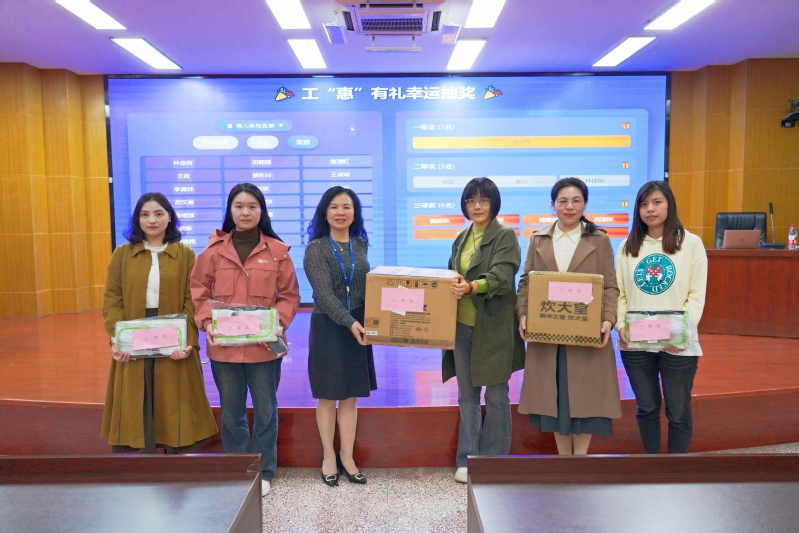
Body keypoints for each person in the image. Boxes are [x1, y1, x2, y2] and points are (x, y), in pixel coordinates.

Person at [191, 183, 300, 496]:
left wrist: (278, 323)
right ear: (230, 210)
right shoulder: (212, 253)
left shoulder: (278, 252)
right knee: (231, 411)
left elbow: (289, 295)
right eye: (239, 206)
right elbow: (199, 292)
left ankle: (264, 471)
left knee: (266, 410)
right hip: (224, 348)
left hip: (263, 347)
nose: (246, 212)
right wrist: (206, 322)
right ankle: (239, 468)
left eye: (252, 206)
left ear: (261, 211)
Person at [101, 192, 217, 454]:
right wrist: (118, 340)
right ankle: (144, 455)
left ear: (170, 218)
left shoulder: (185, 254)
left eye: (158, 214)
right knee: (138, 393)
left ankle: (174, 453)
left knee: (173, 394)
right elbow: (112, 300)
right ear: (137, 219)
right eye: (145, 215)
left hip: (174, 335)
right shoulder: (122, 254)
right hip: (133, 336)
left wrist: (187, 342)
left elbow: (192, 301)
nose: (151, 220)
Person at [516, 177, 621, 455]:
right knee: (555, 398)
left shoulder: (599, 239)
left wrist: (608, 319)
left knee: (585, 397)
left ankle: (580, 460)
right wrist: (523, 313)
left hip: (586, 330)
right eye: (562, 201)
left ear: (585, 204)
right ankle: (564, 459)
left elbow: (610, 286)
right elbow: (526, 282)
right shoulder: (538, 238)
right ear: (553, 205)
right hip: (547, 330)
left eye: (576, 201)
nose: (569, 206)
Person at [616, 180, 708, 454]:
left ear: (669, 205)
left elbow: (696, 295)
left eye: (657, 202)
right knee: (646, 408)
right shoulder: (627, 246)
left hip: (677, 343)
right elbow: (619, 293)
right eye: (644, 204)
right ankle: (652, 466)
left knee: (678, 411)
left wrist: (679, 333)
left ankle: (676, 469)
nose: (650, 209)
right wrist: (621, 325)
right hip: (636, 343)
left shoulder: (691, 244)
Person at [444, 177, 525, 484]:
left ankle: (494, 460)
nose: (476, 206)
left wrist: (472, 286)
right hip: (461, 327)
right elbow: (452, 275)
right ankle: (467, 459)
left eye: (483, 200)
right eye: (471, 201)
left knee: (496, 394)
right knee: (467, 395)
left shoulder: (505, 235)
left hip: (492, 327)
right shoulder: (461, 237)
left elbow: (502, 277)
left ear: (494, 203)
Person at [304, 186, 376, 487]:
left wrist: (378, 319)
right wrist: (350, 322)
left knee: (350, 397)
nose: (340, 212)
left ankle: (347, 456)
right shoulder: (316, 249)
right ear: (325, 212)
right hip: (329, 327)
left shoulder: (360, 244)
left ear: (354, 213)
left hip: (357, 327)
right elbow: (323, 294)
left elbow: (366, 287)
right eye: (334, 206)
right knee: (327, 395)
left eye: (347, 206)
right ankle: (328, 457)